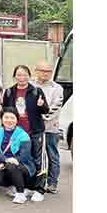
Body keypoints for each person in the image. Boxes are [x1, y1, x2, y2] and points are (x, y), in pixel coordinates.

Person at [2, 65, 49, 200]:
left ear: (29, 76)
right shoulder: (9, 92)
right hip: (17, 133)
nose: (21, 77)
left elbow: (46, 110)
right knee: (20, 159)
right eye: (18, 75)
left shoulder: (36, 91)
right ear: (14, 77)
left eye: (24, 75)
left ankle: (39, 190)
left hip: (35, 132)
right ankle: (25, 187)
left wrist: (41, 105)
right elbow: (5, 112)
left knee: (38, 160)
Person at [0, 109, 36, 204]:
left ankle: (20, 193)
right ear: (1, 119)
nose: (9, 120)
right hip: (4, 162)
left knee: (11, 165)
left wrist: (6, 163)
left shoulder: (23, 135)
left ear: (17, 120)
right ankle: (13, 185)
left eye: (12, 118)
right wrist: (4, 160)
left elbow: (24, 155)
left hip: (23, 166)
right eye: (6, 117)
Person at [34, 60, 64, 194]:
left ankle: (52, 183)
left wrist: (38, 117)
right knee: (35, 155)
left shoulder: (57, 88)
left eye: (48, 71)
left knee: (52, 155)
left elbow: (55, 108)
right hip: (34, 129)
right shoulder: (31, 85)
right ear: (36, 71)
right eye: (42, 70)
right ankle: (36, 181)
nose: (46, 73)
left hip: (51, 128)